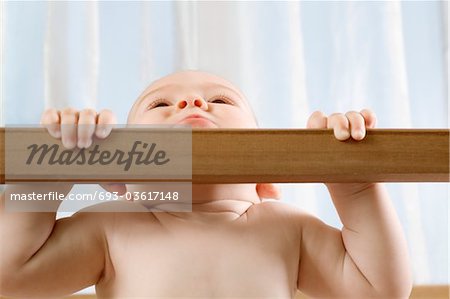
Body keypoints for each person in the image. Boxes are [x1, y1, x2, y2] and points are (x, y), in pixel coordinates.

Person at [0, 70, 412, 298]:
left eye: (222, 101)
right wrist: (50, 169)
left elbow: (381, 290)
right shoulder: (112, 225)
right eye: (160, 104)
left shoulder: (286, 228)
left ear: (266, 177)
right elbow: (9, 275)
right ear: (119, 178)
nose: (192, 103)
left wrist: (353, 183)